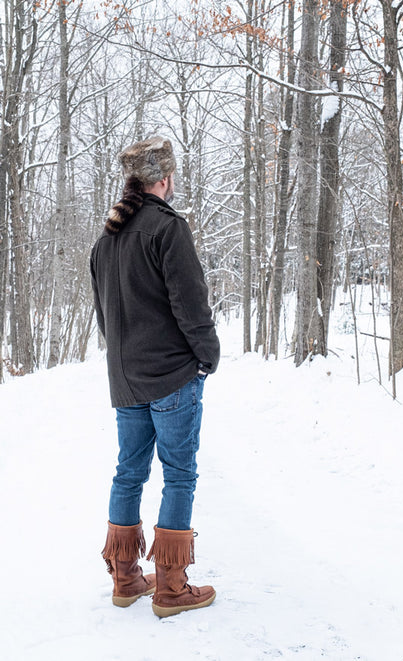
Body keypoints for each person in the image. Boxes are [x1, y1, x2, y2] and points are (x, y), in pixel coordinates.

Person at [90, 136, 220, 617]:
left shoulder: (106, 239)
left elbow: (104, 319)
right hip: (170, 375)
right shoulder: (168, 228)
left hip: (125, 381)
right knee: (179, 475)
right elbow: (191, 303)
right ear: (164, 179)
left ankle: (126, 580)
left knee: (129, 473)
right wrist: (207, 355)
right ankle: (170, 588)